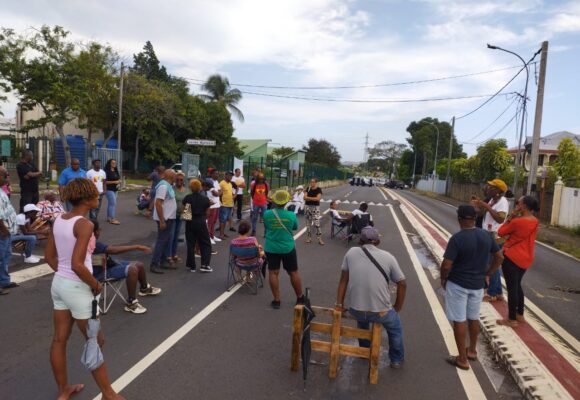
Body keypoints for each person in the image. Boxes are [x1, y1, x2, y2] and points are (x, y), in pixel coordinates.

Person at [44, 177, 123, 400]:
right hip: (78, 287)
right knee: (95, 341)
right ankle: (109, 394)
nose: (99, 196)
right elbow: (79, 264)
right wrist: (95, 284)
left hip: (59, 284)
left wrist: (65, 276)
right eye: (96, 194)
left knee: (60, 339)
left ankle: (63, 390)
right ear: (88, 199)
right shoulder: (85, 224)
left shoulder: (59, 219)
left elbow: (50, 257)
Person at [441, 205, 503, 371]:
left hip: (458, 284)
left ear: (460, 219)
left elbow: (447, 264)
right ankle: (473, 350)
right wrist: (488, 273)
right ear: (475, 219)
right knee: (473, 317)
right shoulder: (486, 236)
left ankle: (462, 359)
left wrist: (443, 279)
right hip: (478, 285)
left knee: (459, 320)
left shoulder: (457, 238)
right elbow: (499, 257)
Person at [334, 226, 407, 368]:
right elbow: (402, 283)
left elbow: (343, 280)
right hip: (381, 312)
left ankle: (365, 351)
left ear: (360, 241)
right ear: (378, 241)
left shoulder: (351, 252)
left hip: (356, 310)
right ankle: (396, 360)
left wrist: (339, 305)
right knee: (395, 328)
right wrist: (397, 308)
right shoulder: (388, 257)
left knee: (362, 320)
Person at [90, 221, 161, 314]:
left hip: (106, 266)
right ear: (96, 232)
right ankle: (131, 302)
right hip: (99, 274)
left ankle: (144, 289)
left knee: (139, 264)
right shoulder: (92, 243)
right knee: (132, 269)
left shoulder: (85, 241)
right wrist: (137, 246)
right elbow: (113, 250)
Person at [497, 196, 540, 327]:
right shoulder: (535, 221)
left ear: (524, 206)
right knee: (517, 285)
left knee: (512, 288)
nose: (517, 204)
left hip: (512, 257)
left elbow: (501, 231)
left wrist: (511, 216)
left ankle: (511, 319)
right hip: (526, 258)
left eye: (519, 203)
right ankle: (520, 314)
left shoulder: (517, 222)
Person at [263, 190, 304, 309]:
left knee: (273, 272)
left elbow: (267, 226)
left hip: (271, 247)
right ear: (286, 201)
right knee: (293, 272)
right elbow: (295, 227)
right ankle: (300, 297)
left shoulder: (267, 214)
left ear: (274, 200)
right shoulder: (291, 215)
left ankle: (276, 300)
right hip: (288, 247)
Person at [471, 179, 509, 302]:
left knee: (492, 264)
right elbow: (484, 214)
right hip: (488, 234)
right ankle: (498, 293)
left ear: (498, 191)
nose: (488, 188)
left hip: (495, 237)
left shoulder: (502, 202)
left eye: (491, 187)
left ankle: (492, 293)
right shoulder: (493, 200)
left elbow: (500, 219)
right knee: (492, 264)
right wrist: (480, 204)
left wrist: (486, 206)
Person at [150, 169, 177, 274]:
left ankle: (163, 261)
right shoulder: (164, 186)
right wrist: (162, 220)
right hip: (164, 218)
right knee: (161, 241)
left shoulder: (168, 185)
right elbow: (158, 203)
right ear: (170, 176)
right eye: (174, 175)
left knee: (165, 240)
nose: (175, 177)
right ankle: (154, 264)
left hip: (168, 218)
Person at [183, 179, 213, 273]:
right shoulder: (205, 199)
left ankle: (192, 266)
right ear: (200, 187)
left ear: (191, 188)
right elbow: (208, 213)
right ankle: (205, 264)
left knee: (190, 243)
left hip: (190, 222)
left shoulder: (188, 197)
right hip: (201, 221)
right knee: (205, 243)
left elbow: (186, 214)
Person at [0, 166, 20, 291]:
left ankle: (4, 281)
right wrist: (4, 230)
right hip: (2, 232)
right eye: (5, 175)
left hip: (6, 232)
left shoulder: (2, 190)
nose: (8, 177)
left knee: (5, 257)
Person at [166, 172, 187, 265]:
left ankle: (174, 254)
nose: (179, 181)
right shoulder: (171, 189)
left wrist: (186, 216)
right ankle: (168, 255)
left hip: (180, 216)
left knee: (176, 236)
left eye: (181, 180)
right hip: (172, 216)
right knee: (171, 236)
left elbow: (188, 203)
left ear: (184, 181)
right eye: (177, 179)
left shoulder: (187, 190)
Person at [303, 178, 324, 245]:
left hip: (315, 208)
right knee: (308, 224)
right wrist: (313, 199)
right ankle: (309, 238)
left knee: (317, 223)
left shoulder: (318, 189)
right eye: (311, 182)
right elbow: (304, 197)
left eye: (313, 182)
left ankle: (319, 239)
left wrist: (308, 198)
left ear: (316, 183)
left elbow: (318, 198)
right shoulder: (308, 188)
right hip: (307, 207)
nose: (311, 183)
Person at [206, 169, 222, 243]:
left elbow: (220, 191)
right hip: (211, 206)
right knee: (210, 222)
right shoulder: (209, 181)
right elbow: (215, 193)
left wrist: (218, 192)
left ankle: (212, 235)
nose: (217, 175)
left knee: (214, 222)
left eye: (218, 173)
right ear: (211, 174)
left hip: (217, 204)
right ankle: (208, 237)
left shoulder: (216, 182)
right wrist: (218, 193)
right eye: (216, 173)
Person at [219, 171, 235, 240]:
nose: (230, 177)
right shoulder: (222, 183)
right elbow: (219, 194)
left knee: (225, 220)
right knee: (223, 220)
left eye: (231, 176)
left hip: (230, 204)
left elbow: (231, 193)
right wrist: (221, 203)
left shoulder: (230, 184)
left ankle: (223, 233)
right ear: (225, 175)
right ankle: (221, 234)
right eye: (229, 175)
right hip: (224, 205)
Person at [104, 159, 121, 225]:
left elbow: (118, 178)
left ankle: (109, 217)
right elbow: (105, 182)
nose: (114, 164)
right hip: (109, 189)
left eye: (115, 163)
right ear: (109, 163)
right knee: (113, 204)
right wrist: (114, 182)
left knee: (110, 204)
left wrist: (119, 181)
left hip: (115, 189)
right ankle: (112, 219)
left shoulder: (115, 170)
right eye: (113, 163)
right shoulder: (106, 171)